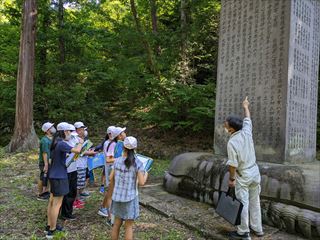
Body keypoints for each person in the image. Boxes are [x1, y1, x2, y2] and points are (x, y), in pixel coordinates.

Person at [224, 97, 264, 240]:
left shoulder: (232, 142)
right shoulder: (246, 131)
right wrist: (245, 106)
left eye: (226, 124)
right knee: (255, 201)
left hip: (243, 175)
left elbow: (233, 164)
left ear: (231, 129)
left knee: (243, 203)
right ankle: (258, 228)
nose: (224, 125)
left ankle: (243, 232)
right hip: (255, 172)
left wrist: (232, 179)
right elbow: (247, 119)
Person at [45, 122, 83, 239]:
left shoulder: (54, 143)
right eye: (69, 132)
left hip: (53, 174)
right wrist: (81, 143)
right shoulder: (61, 143)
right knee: (57, 204)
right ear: (65, 132)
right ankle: (52, 230)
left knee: (52, 202)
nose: (70, 134)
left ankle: (50, 225)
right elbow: (77, 151)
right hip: (60, 176)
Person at [109, 136, 148, 240]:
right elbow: (142, 182)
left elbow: (110, 177)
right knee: (129, 226)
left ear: (123, 147)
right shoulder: (138, 163)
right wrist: (146, 173)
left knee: (116, 224)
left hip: (117, 196)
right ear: (135, 149)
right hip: (130, 198)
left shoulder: (117, 161)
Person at [98, 125, 116, 218]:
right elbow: (109, 159)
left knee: (109, 191)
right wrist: (120, 159)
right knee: (110, 192)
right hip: (110, 168)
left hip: (109, 168)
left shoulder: (107, 142)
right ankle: (110, 216)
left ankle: (103, 208)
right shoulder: (111, 144)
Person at [37, 122, 56, 201]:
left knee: (48, 177)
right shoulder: (44, 140)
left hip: (51, 161)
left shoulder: (52, 138)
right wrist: (46, 164)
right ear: (47, 130)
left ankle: (46, 191)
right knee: (43, 177)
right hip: (45, 162)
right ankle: (41, 194)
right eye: (51, 127)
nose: (53, 128)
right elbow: (45, 153)